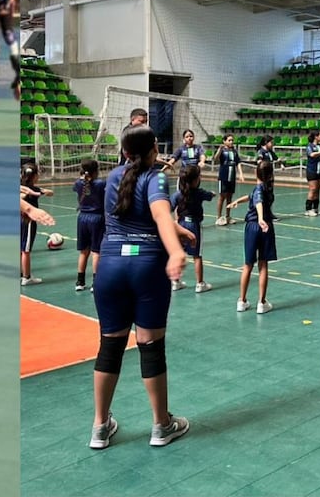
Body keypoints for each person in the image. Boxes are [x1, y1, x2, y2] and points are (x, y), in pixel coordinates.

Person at [89, 124, 192, 450]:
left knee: (110, 346)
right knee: (150, 346)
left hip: (110, 266)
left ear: (124, 151)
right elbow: (159, 214)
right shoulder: (156, 176)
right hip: (146, 266)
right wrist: (175, 249)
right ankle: (161, 425)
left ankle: (100, 427)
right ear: (154, 151)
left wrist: (176, 228)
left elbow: (137, 213)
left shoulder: (114, 177)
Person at [229, 160, 276, 314]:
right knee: (263, 265)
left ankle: (242, 301)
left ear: (256, 173)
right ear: (270, 175)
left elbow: (258, 202)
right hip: (265, 227)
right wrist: (238, 201)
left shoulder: (259, 189)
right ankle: (262, 303)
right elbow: (254, 198)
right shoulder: (267, 188)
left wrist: (260, 218)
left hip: (253, 227)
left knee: (248, 265)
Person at [172, 165, 215, 293]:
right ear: (195, 180)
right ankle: (200, 283)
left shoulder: (178, 195)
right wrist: (212, 194)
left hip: (180, 226)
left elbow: (169, 206)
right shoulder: (199, 193)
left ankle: (176, 281)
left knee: (179, 252)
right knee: (197, 255)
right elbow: (209, 195)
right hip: (194, 226)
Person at [74, 159, 106, 292]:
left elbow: (79, 187)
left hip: (82, 218)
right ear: (96, 171)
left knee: (83, 251)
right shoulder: (100, 184)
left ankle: (80, 282)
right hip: (97, 218)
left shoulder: (78, 183)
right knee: (96, 252)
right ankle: (95, 282)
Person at [20, 161, 52, 286]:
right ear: (33, 176)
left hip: (18, 220)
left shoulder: (25, 188)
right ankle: (26, 277)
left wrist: (40, 192)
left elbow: (48, 192)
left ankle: (22, 274)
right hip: (28, 222)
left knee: (20, 249)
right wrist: (41, 192)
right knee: (26, 250)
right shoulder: (31, 189)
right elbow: (50, 193)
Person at [212, 135, 241, 226]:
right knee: (222, 197)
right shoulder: (222, 151)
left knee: (229, 197)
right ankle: (219, 217)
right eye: (229, 140)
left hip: (232, 177)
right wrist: (219, 150)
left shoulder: (234, 151)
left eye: (232, 140)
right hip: (223, 176)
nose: (231, 142)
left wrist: (241, 174)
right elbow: (215, 159)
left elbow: (238, 163)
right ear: (224, 141)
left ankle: (228, 216)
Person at [304, 131, 320, 216]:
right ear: (315, 137)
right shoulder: (309, 146)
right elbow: (312, 154)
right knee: (313, 189)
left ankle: (315, 208)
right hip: (312, 170)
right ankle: (308, 209)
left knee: (318, 190)